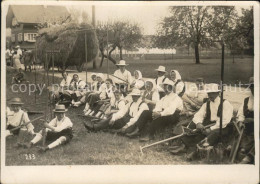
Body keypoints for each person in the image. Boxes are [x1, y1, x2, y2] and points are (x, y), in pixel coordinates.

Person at [171, 83, 234, 160]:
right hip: (209, 124)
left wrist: (211, 129)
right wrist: (199, 123)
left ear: (218, 93)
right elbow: (198, 115)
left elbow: (224, 121)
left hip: (222, 127)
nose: (210, 95)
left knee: (213, 134)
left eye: (213, 93)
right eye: (209, 93)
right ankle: (184, 146)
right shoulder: (207, 103)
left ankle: (196, 152)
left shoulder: (225, 104)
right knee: (193, 126)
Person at [84, 89, 148, 133]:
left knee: (122, 130)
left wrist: (127, 125)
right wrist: (114, 118)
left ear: (139, 96)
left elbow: (136, 118)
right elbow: (122, 112)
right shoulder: (131, 103)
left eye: (135, 96)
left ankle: (97, 128)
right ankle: (94, 127)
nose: (133, 98)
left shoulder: (143, 105)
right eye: (132, 96)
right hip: (127, 119)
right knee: (111, 119)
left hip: (135, 123)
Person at [237, 77, 254, 164]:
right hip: (246, 126)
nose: (253, 89)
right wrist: (240, 121)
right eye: (251, 86)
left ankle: (247, 155)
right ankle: (235, 149)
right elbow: (241, 113)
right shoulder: (247, 100)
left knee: (253, 136)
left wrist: (253, 120)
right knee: (239, 133)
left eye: (255, 86)